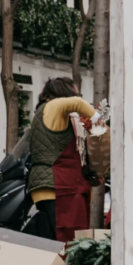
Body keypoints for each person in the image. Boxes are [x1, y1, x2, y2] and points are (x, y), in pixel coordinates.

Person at [23, 77, 101, 242]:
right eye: (75, 92)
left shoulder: (46, 111)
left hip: (54, 187)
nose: (78, 95)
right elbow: (77, 103)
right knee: (68, 243)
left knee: (57, 242)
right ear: (64, 92)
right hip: (59, 187)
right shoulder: (53, 106)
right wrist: (98, 123)